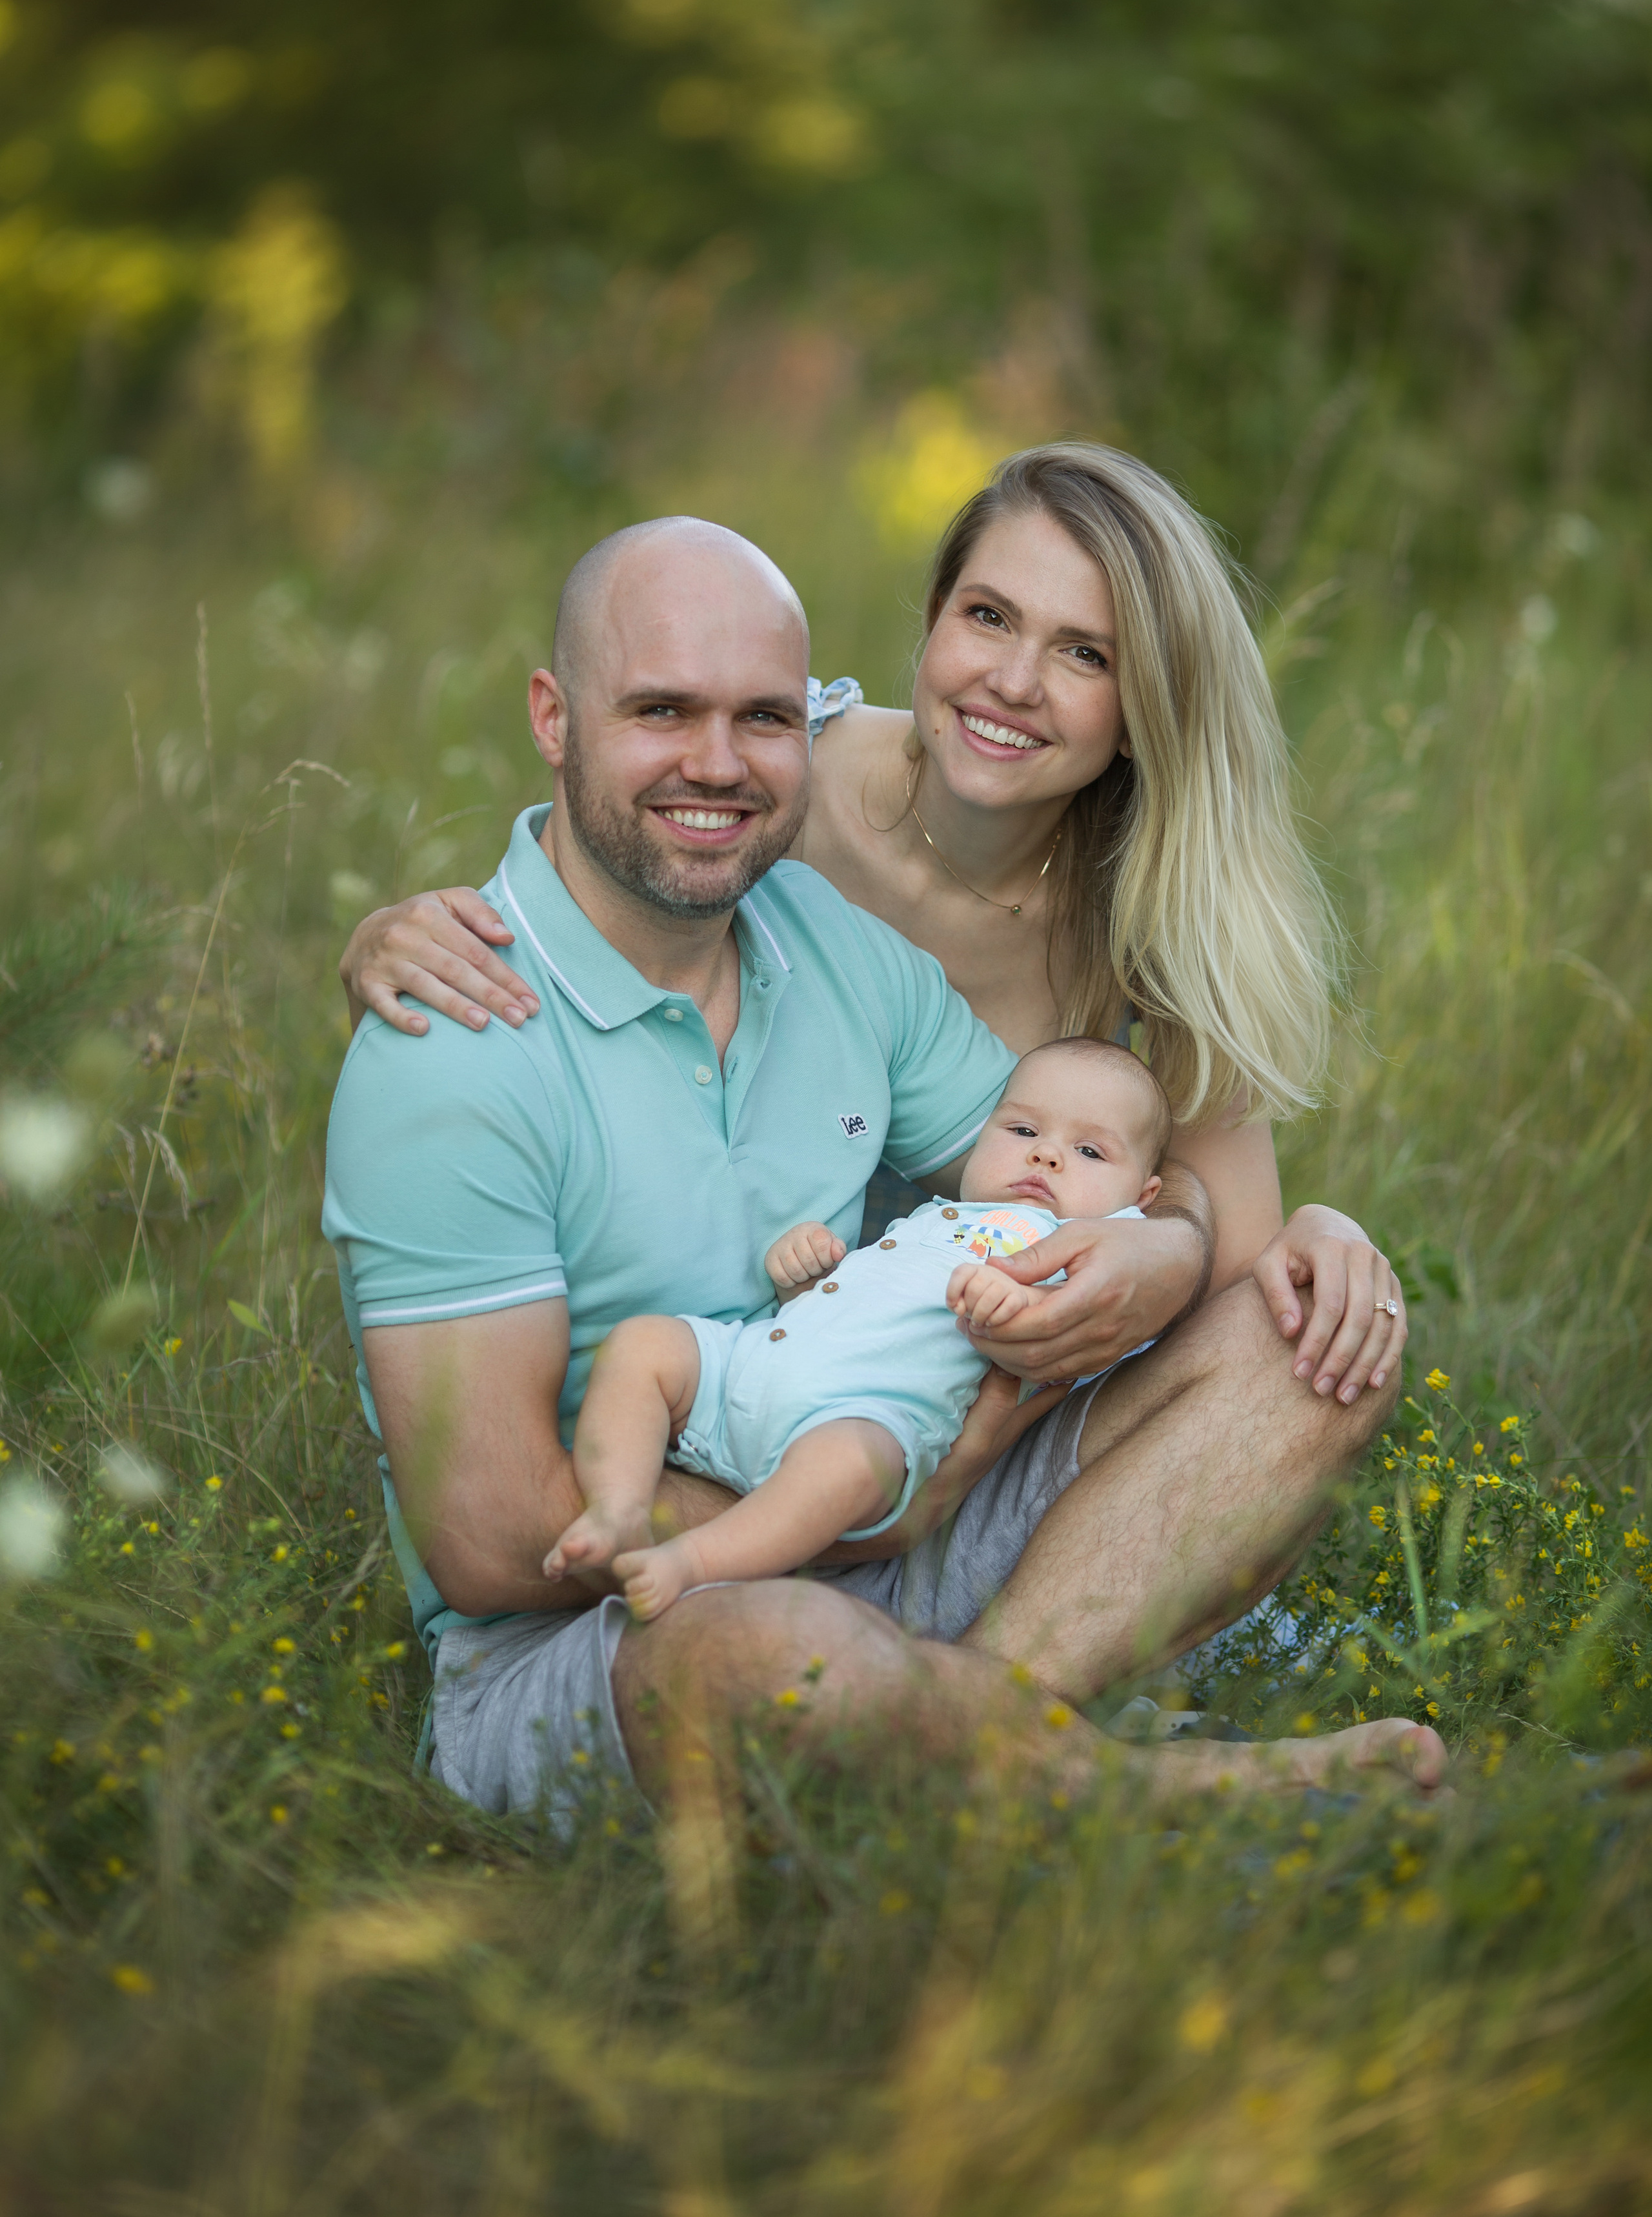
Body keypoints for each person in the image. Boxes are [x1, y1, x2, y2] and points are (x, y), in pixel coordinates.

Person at [323, 492, 1444, 1827]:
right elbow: (497, 1543)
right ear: (554, 720)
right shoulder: (453, 1053)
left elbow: (1048, 1177)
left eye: (761, 719)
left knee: (1293, 1349)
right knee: (772, 1658)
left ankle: (949, 1746)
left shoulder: (829, 945)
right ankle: (1177, 1806)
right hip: (612, 1624)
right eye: (661, 713)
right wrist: (861, 1512)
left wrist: (1184, 1234)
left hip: (877, 1456)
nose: (718, 765)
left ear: (808, 723)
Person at [549, 1037, 1169, 1620]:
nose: (1046, 1154)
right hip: (757, 1360)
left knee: (847, 1469)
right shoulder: (940, 1215)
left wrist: (1018, 1303)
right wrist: (806, 1282)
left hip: (860, 1419)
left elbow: (1070, 1349)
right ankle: (617, 1508)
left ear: (1142, 1197)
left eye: (1089, 1152)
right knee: (646, 1344)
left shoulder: (1085, 1258)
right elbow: (857, 1309)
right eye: (1023, 1130)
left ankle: (693, 1561)